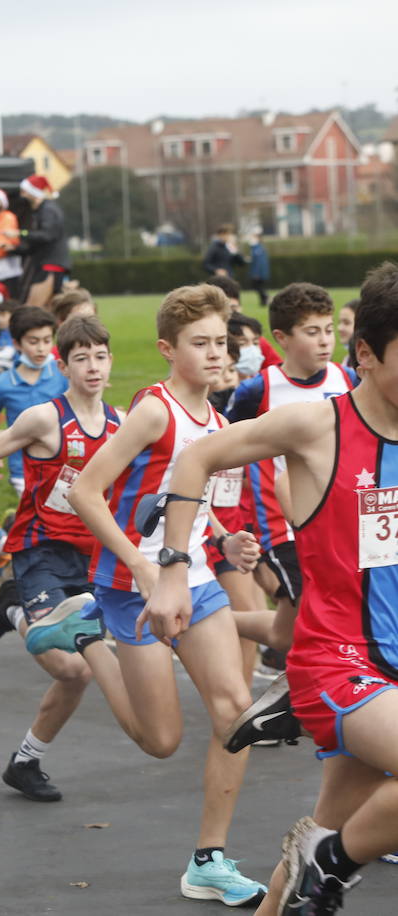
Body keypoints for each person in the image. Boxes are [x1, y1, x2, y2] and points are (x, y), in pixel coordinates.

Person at [142, 262, 398, 914]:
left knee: (318, 837)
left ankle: (320, 858)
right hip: (340, 661)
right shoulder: (318, 427)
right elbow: (197, 456)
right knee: (328, 853)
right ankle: (332, 863)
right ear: (365, 353)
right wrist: (174, 569)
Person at [38, 283, 268, 906]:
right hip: (128, 584)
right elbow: (87, 492)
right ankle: (87, 639)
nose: (217, 354)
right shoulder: (155, 411)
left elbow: (192, 511)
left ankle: (209, 860)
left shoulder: (218, 422)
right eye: (201, 343)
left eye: (222, 342)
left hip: (196, 580)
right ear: (169, 349)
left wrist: (229, 542)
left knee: (235, 712)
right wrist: (140, 564)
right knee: (161, 740)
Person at [0, 316, 120, 803]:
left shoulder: (120, 423)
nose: (93, 366)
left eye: (101, 356)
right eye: (81, 358)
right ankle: (16, 608)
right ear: (63, 365)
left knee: (79, 671)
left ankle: (25, 762)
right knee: (73, 669)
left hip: (91, 558)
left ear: (110, 364)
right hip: (40, 549)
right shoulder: (46, 418)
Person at [219, 283, 355, 750]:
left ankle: (204, 620)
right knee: (314, 616)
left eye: (328, 330)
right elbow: (224, 440)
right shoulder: (259, 390)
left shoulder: (346, 380)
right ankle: (296, 700)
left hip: (338, 521)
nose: (324, 341)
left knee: (287, 627)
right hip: (279, 523)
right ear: (281, 339)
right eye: (311, 332)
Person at [0, 305, 68, 495]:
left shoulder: (62, 373)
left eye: (47, 341)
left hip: (62, 464)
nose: (41, 348)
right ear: (17, 344)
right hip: (22, 471)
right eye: (33, 341)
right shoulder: (2, 384)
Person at [17, 175, 69, 308]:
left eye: (24, 190)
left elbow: (47, 236)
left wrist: (21, 233)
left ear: (33, 191)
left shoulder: (48, 210)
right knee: (45, 308)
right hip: (47, 264)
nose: (22, 193)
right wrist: (13, 249)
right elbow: (37, 244)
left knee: (34, 308)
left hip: (50, 265)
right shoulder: (41, 211)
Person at [247, 231, 269, 308]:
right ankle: (263, 301)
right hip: (259, 273)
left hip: (259, 273)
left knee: (259, 287)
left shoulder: (258, 249)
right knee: (259, 287)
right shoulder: (256, 248)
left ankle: (266, 298)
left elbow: (259, 263)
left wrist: (256, 273)